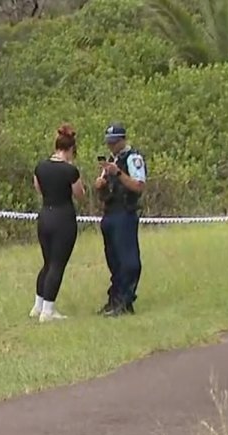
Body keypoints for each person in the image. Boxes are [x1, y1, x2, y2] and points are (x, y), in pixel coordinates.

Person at [29, 123, 86, 322]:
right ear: (71, 149)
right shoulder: (70, 171)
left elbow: (38, 189)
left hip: (45, 215)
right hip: (63, 218)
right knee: (57, 264)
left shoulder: (40, 167)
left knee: (47, 262)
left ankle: (38, 305)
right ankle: (48, 310)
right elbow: (80, 195)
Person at [94, 122, 146, 317]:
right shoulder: (110, 160)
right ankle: (114, 299)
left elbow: (138, 186)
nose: (111, 146)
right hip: (110, 212)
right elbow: (104, 191)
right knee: (113, 259)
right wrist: (100, 185)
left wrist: (118, 173)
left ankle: (125, 299)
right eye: (109, 142)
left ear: (123, 140)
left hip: (125, 212)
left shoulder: (133, 158)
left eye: (114, 142)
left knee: (128, 260)